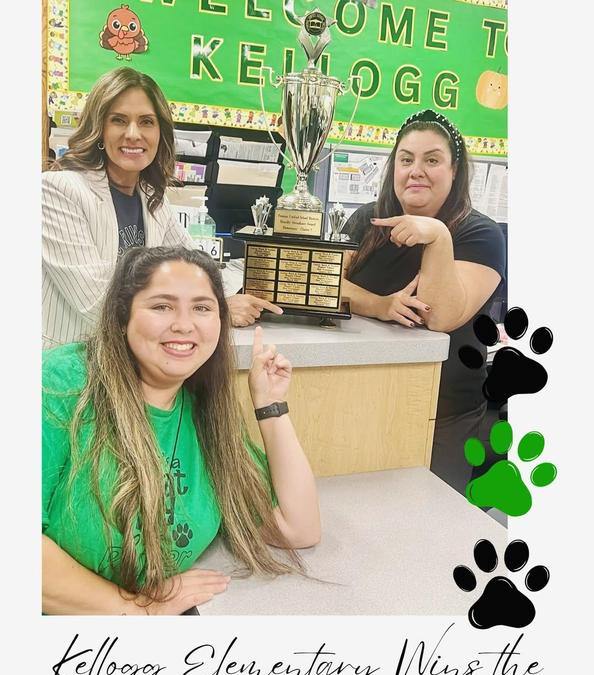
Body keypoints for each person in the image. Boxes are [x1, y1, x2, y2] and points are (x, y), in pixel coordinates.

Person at [42, 246, 321, 615]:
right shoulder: (60, 383)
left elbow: (298, 528)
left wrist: (270, 407)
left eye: (202, 308)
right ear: (122, 316)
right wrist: (139, 610)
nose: (184, 325)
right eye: (161, 306)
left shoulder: (206, 411)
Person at [42, 67, 281, 348]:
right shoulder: (57, 190)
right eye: (118, 120)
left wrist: (231, 295)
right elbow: (94, 302)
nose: (133, 134)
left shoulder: (152, 199)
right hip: (67, 367)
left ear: (160, 133)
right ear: (99, 129)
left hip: (132, 363)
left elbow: (196, 265)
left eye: (146, 122)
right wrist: (216, 311)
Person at [342, 109, 506, 494]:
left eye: (432, 160)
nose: (416, 170)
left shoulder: (479, 233)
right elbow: (325, 284)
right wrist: (379, 305)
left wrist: (437, 237)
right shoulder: (369, 220)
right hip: (365, 399)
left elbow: (442, 316)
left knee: (426, 525)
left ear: (454, 170)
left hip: (444, 414)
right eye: (406, 159)